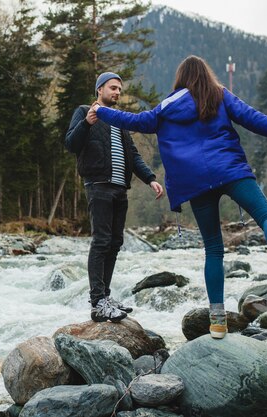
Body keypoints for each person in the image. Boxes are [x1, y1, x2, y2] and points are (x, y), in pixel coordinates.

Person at [91, 56, 267, 338]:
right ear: (206, 74)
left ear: (180, 78)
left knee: (214, 249)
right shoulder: (219, 95)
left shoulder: (167, 106)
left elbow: (137, 121)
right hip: (230, 170)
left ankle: (217, 320)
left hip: (195, 182)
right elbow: (254, 119)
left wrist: (101, 111)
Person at [65, 72, 164, 323]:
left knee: (115, 242)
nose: (117, 92)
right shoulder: (84, 112)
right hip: (98, 185)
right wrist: (86, 123)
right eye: (113, 88)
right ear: (100, 89)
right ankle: (98, 301)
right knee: (101, 241)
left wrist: (150, 178)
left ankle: (105, 297)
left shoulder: (119, 121)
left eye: (119, 89)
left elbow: (133, 154)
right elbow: (70, 144)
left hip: (121, 188)